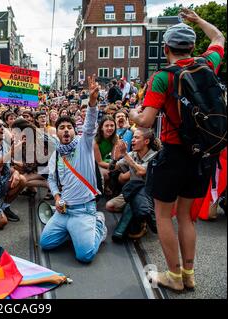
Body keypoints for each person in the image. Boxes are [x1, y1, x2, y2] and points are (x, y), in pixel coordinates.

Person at [129, 8, 225, 292]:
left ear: (166, 48)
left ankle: (173, 275)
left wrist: (135, 113)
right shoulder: (208, 63)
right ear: (192, 47)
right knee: (186, 215)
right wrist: (198, 21)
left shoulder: (163, 77)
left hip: (174, 152)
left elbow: (146, 121)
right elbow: (219, 36)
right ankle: (189, 273)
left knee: (163, 214)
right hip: (204, 154)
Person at [39, 75, 107, 263]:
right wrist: (57, 197)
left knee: (84, 256)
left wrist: (92, 102)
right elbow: (51, 180)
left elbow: (91, 124)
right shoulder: (56, 154)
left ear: (74, 131)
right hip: (64, 210)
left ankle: (99, 224)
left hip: (84, 210)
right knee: (45, 243)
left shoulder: (83, 144)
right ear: (57, 132)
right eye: (62, 128)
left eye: (69, 127)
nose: (66, 130)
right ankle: (75, 233)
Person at [107, 128, 160, 240]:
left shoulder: (155, 156)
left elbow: (141, 171)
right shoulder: (132, 154)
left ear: (146, 141)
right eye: (133, 137)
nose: (132, 140)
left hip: (148, 194)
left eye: (136, 137)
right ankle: (134, 212)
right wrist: (115, 159)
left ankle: (143, 220)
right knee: (109, 206)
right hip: (132, 191)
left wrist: (125, 154)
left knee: (133, 228)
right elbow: (113, 169)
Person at [0, 117, 26, 228]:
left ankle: (4, 207)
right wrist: (11, 154)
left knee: (22, 180)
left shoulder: (6, 146)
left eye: (3, 125)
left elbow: (14, 166)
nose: (2, 128)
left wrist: (16, 173)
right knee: (2, 222)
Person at [94, 115, 118, 195]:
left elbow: (113, 157)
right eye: (106, 125)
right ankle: (103, 188)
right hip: (92, 162)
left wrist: (114, 164)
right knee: (106, 174)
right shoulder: (95, 141)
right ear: (101, 127)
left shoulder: (115, 137)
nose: (110, 128)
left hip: (104, 160)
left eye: (112, 125)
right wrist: (113, 166)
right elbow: (99, 162)